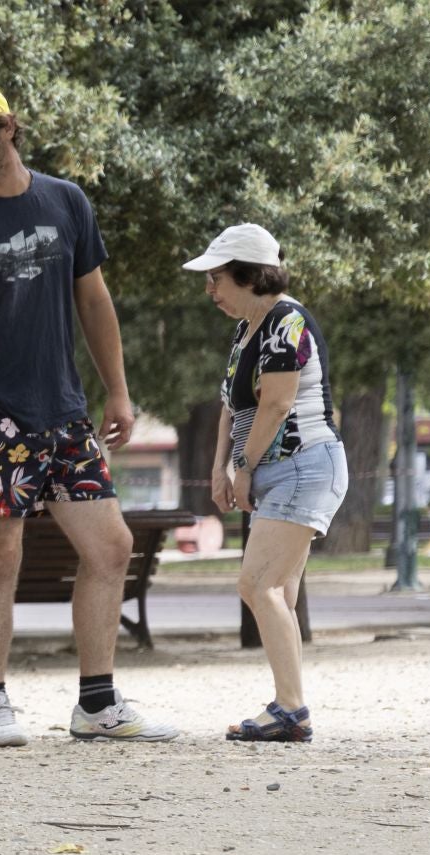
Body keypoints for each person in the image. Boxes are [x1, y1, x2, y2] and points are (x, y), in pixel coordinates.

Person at [0, 81, 177, 746]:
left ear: (8, 129)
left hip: (63, 411)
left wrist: (117, 391)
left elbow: (95, 303)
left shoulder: (66, 201)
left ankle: (97, 702)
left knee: (111, 547)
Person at [182, 224, 345, 742]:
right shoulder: (247, 329)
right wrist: (221, 468)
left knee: (258, 585)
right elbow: (234, 406)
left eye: (217, 279)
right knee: (279, 591)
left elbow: (276, 404)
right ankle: (288, 708)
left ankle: (292, 710)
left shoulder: (285, 321)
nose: (210, 291)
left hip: (304, 464)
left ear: (250, 275)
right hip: (272, 469)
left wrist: (245, 469)